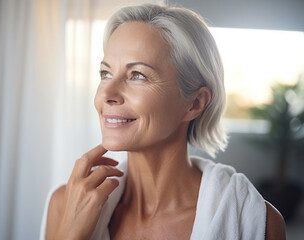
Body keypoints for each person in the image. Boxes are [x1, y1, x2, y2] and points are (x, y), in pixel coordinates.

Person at [40, 4, 286, 240]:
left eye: (137, 75)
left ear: (195, 103)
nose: (105, 94)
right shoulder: (65, 204)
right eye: (106, 73)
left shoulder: (259, 222)